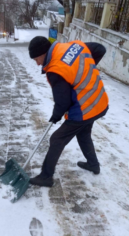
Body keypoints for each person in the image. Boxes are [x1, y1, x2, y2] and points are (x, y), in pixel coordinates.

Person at [27, 36, 109, 187]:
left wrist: (56, 116)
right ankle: (93, 164)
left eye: (36, 59)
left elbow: (63, 102)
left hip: (84, 108)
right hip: (99, 101)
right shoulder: (73, 46)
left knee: (57, 139)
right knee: (83, 134)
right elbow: (99, 49)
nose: (37, 63)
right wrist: (87, 72)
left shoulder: (56, 69)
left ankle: (46, 177)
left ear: (43, 53)